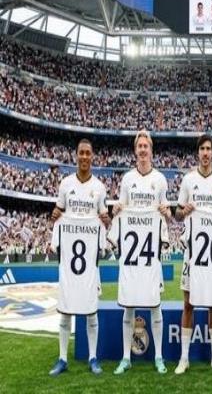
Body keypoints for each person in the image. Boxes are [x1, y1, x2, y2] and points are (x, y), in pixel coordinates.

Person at [111, 129, 171, 375]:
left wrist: (167, 212)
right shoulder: (127, 179)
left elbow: (166, 213)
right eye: (140, 146)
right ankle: (126, 358)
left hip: (151, 256)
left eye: (146, 146)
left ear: (151, 150)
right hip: (130, 257)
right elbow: (121, 209)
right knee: (129, 306)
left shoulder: (160, 179)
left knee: (155, 305)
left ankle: (159, 356)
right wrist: (117, 210)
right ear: (135, 150)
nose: (143, 149)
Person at [49, 139, 109, 376]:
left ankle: (93, 357)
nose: (84, 157)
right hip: (69, 261)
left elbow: (104, 219)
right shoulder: (66, 184)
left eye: (88, 153)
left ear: (92, 157)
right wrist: (55, 215)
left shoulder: (99, 188)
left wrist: (105, 220)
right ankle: (62, 358)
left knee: (91, 309)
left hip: (90, 262)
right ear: (76, 156)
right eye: (81, 153)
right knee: (65, 309)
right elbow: (58, 214)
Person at [174, 134, 212, 374]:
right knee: (188, 304)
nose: (206, 153)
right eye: (202, 149)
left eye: (209, 149)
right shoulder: (188, 180)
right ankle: (184, 358)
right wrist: (183, 211)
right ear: (198, 153)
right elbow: (177, 214)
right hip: (192, 252)